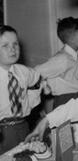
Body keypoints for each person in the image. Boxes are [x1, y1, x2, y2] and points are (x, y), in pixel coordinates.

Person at [0, 25, 47, 154]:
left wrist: (29, 104)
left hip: (22, 126)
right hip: (2, 132)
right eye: (5, 46)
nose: (12, 49)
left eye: (15, 44)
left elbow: (37, 81)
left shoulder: (23, 72)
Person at [35, 17, 78, 108]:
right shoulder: (62, 59)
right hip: (66, 101)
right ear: (72, 39)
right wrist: (46, 87)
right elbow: (36, 72)